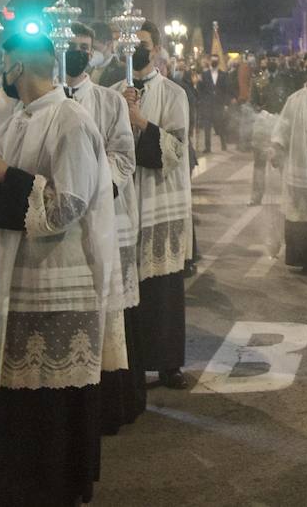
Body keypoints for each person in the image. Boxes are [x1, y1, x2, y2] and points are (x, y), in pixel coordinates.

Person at [0, 31, 120, 507]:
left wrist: (6, 177)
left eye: (2, 66)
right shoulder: (14, 122)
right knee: (11, 399)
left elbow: (69, 204)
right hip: (13, 277)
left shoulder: (70, 119)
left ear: (15, 67)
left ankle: (52, 489)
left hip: (57, 282)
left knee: (51, 406)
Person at [64, 22, 145, 434]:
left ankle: (105, 406)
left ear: (93, 54)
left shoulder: (109, 102)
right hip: (55, 228)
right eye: (69, 46)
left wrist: (91, 190)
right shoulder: (37, 100)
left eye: (83, 47)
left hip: (101, 219)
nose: (76, 53)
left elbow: (123, 157)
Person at [114, 22, 193, 390]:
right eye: (130, 44)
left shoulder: (174, 94)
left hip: (161, 198)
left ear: (157, 48)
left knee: (162, 288)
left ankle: (167, 363)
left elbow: (176, 151)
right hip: (126, 202)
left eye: (143, 44)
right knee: (128, 287)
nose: (136, 50)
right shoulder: (110, 94)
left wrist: (140, 121)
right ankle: (129, 365)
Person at [270, 51, 307, 274]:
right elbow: (282, 129)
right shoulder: (294, 99)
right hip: (298, 165)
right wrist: (276, 148)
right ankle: (303, 259)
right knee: (299, 214)